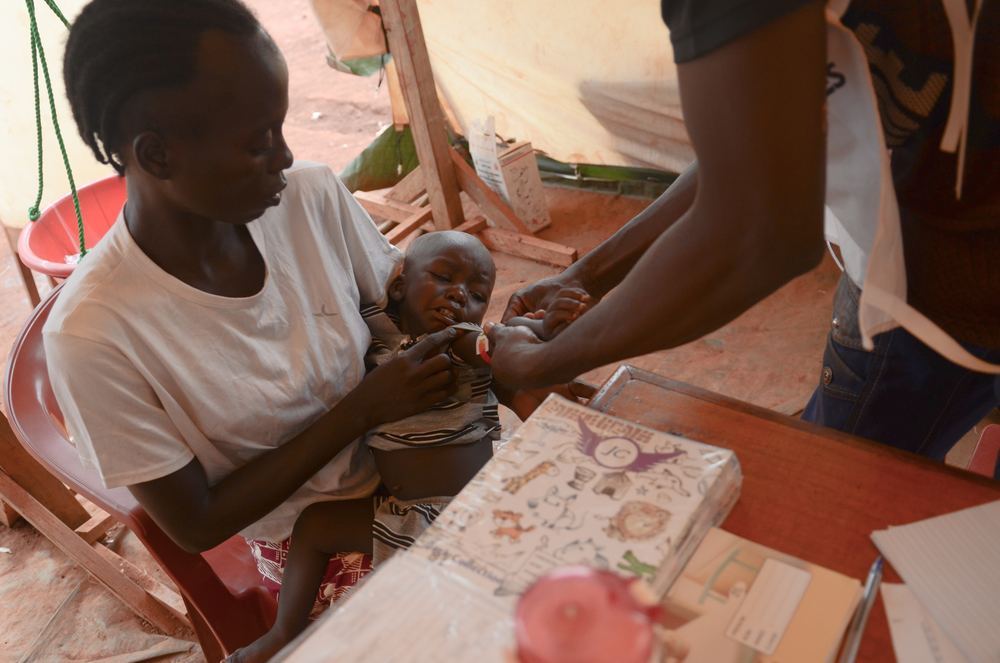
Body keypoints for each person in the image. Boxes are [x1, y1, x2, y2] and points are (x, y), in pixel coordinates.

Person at [47, 0, 468, 626]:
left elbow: (398, 314)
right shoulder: (95, 334)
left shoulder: (310, 198)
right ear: (157, 155)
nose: (286, 157)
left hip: (424, 460)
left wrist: (477, 334)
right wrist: (365, 408)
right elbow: (196, 523)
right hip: (314, 543)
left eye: (282, 126)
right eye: (258, 141)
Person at [489, 0, 999, 470]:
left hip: (934, 287)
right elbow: (759, 144)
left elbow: (759, 230)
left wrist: (543, 361)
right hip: (948, 250)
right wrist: (585, 276)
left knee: (829, 487)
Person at [227, 230, 588, 663]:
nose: (458, 296)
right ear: (399, 286)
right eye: (443, 276)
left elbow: (495, 343)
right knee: (315, 524)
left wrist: (541, 329)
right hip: (407, 519)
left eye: (476, 294)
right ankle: (284, 631)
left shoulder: (457, 342)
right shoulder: (372, 334)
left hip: (465, 515)